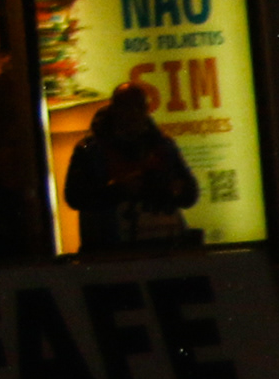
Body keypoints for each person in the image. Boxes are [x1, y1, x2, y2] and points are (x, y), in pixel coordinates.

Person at [63, 81, 200, 252]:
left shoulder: (163, 146)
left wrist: (174, 188)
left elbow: (191, 194)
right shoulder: (91, 150)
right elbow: (75, 197)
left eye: (138, 107)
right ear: (114, 110)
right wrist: (119, 190)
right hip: (111, 252)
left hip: (163, 248)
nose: (132, 114)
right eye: (126, 107)